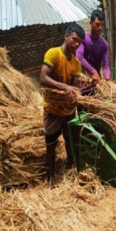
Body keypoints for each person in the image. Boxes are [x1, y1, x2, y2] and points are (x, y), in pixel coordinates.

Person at [40, 22, 85, 183]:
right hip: (52, 108)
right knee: (51, 144)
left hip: (67, 110)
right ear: (66, 37)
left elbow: (74, 86)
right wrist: (64, 86)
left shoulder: (76, 64)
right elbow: (43, 78)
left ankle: (70, 168)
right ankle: (50, 177)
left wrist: (76, 93)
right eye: (74, 39)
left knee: (70, 141)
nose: (77, 44)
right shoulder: (53, 54)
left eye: (79, 42)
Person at [76, 9, 111, 83]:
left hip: (95, 83)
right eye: (97, 24)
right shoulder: (83, 38)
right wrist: (93, 71)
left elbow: (106, 66)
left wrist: (107, 77)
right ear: (91, 23)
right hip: (81, 80)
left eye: (102, 25)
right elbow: (79, 57)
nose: (100, 28)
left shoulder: (104, 44)